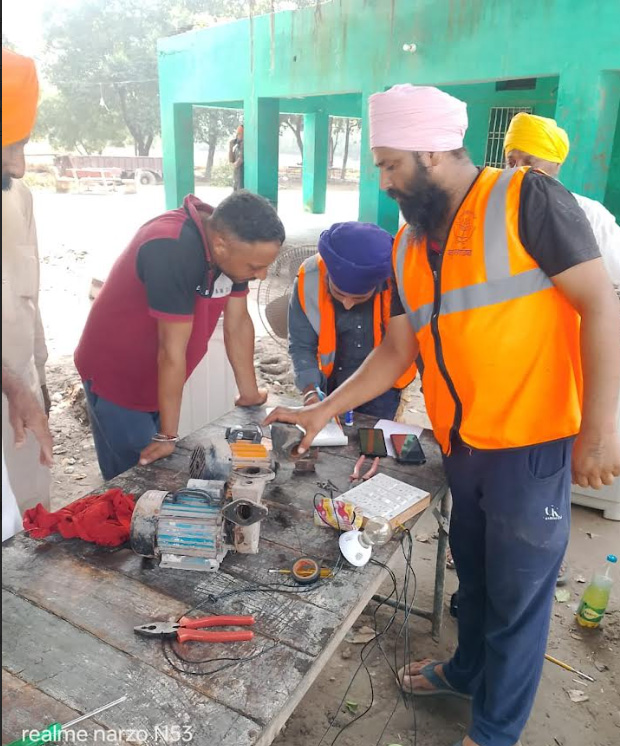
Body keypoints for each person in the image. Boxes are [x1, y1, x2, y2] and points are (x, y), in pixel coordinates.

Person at [266, 85, 620, 746]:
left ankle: (494, 732)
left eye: (390, 163)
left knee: (517, 598)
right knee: (474, 577)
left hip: (530, 445)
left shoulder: (526, 199)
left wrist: (602, 429)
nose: (384, 180)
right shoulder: (409, 244)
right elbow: (397, 349)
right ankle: (465, 672)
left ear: (430, 152)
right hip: (462, 443)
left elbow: (602, 304)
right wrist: (324, 410)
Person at [75, 190, 285, 480]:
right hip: (117, 376)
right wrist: (167, 436)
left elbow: (237, 323)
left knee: (156, 469)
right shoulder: (170, 247)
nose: (261, 275)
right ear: (220, 245)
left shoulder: (232, 251)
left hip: (156, 375)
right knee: (135, 475)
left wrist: (249, 394)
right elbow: (171, 351)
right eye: (255, 267)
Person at [289, 221, 416, 417]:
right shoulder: (310, 278)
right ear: (328, 275)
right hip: (330, 384)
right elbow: (301, 346)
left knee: (375, 435)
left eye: (360, 298)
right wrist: (311, 392)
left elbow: (400, 349)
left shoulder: (401, 282)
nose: (347, 304)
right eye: (339, 293)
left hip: (386, 388)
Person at [2, 47, 53, 516]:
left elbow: (27, 298)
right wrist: (11, 383)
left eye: (23, 145)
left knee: (31, 517)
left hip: (23, 404)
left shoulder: (18, 197)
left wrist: (37, 377)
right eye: (7, 147)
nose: (18, 167)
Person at [504, 111, 620, 287]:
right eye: (511, 161)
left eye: (529, 162)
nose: (517, 170)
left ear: (556, 165)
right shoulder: (491, 207)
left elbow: (616, 274)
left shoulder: (589, 213)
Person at [229, 124, 244, 191]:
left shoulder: (244, 146)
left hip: (242, 180)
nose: (237, 136)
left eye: (239, 134)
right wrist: (230, 148)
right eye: (237, 134)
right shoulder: (237, 148)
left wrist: (237, 162)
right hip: (236, 179)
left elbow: (238, 162)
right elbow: (231, 160)